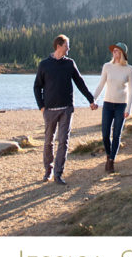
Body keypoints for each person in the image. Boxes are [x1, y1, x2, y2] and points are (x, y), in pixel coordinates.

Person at [33, 34, 96, 185]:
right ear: (59, 46)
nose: (69, 48)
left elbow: (80, 82)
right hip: (49, 110)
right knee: (48, 141)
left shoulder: (70, 64)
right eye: (67, 45)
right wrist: (41, 107)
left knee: (64, 141)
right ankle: (48, 170)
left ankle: (58, 173)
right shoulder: (44, 64)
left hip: (66, 109)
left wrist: (91, 99)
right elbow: (37, 87)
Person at [93, 42, 132, 174]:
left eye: (117, 51)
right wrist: (93, 99)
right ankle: (108, 154)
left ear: (122, 53)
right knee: (105, 134)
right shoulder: (107, 66)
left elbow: (131, 90)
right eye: (113, 50)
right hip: (108, 104)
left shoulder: (129, 69)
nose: (114, 52)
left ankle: (111, 160)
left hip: (121, 106)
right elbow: (101, 84)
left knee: (116, 134)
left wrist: (128, 108)